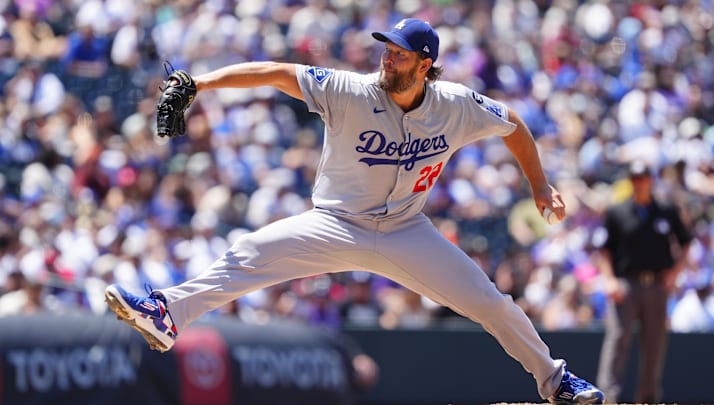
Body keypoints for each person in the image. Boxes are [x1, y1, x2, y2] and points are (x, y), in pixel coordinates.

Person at [105, 19, 604, 404]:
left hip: (408, 230)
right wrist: (201, 85)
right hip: (335, 223)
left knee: (492, 304)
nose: (387, 60)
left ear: (424, 65)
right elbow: (278, 73)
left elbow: (513, 124)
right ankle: (167, 313)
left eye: (399, 54)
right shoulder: (350, 90)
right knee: (251, 249)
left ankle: (556, 381)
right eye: (386, 51)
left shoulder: (456, 104)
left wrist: (539, 185)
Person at [595, 159, 693, 403]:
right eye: (635, 179)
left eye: (644, 178)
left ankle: (648, 398)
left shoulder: (666, 211)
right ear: (630, 182)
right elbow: (605, 250)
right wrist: (609, 280)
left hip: (658, 285)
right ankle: (609, 397)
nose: (640, 183)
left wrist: (675, 273)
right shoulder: (618, 212)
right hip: (626, 284)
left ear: (651, 180)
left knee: (654, 342)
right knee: (618, 339)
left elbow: (686, 241)